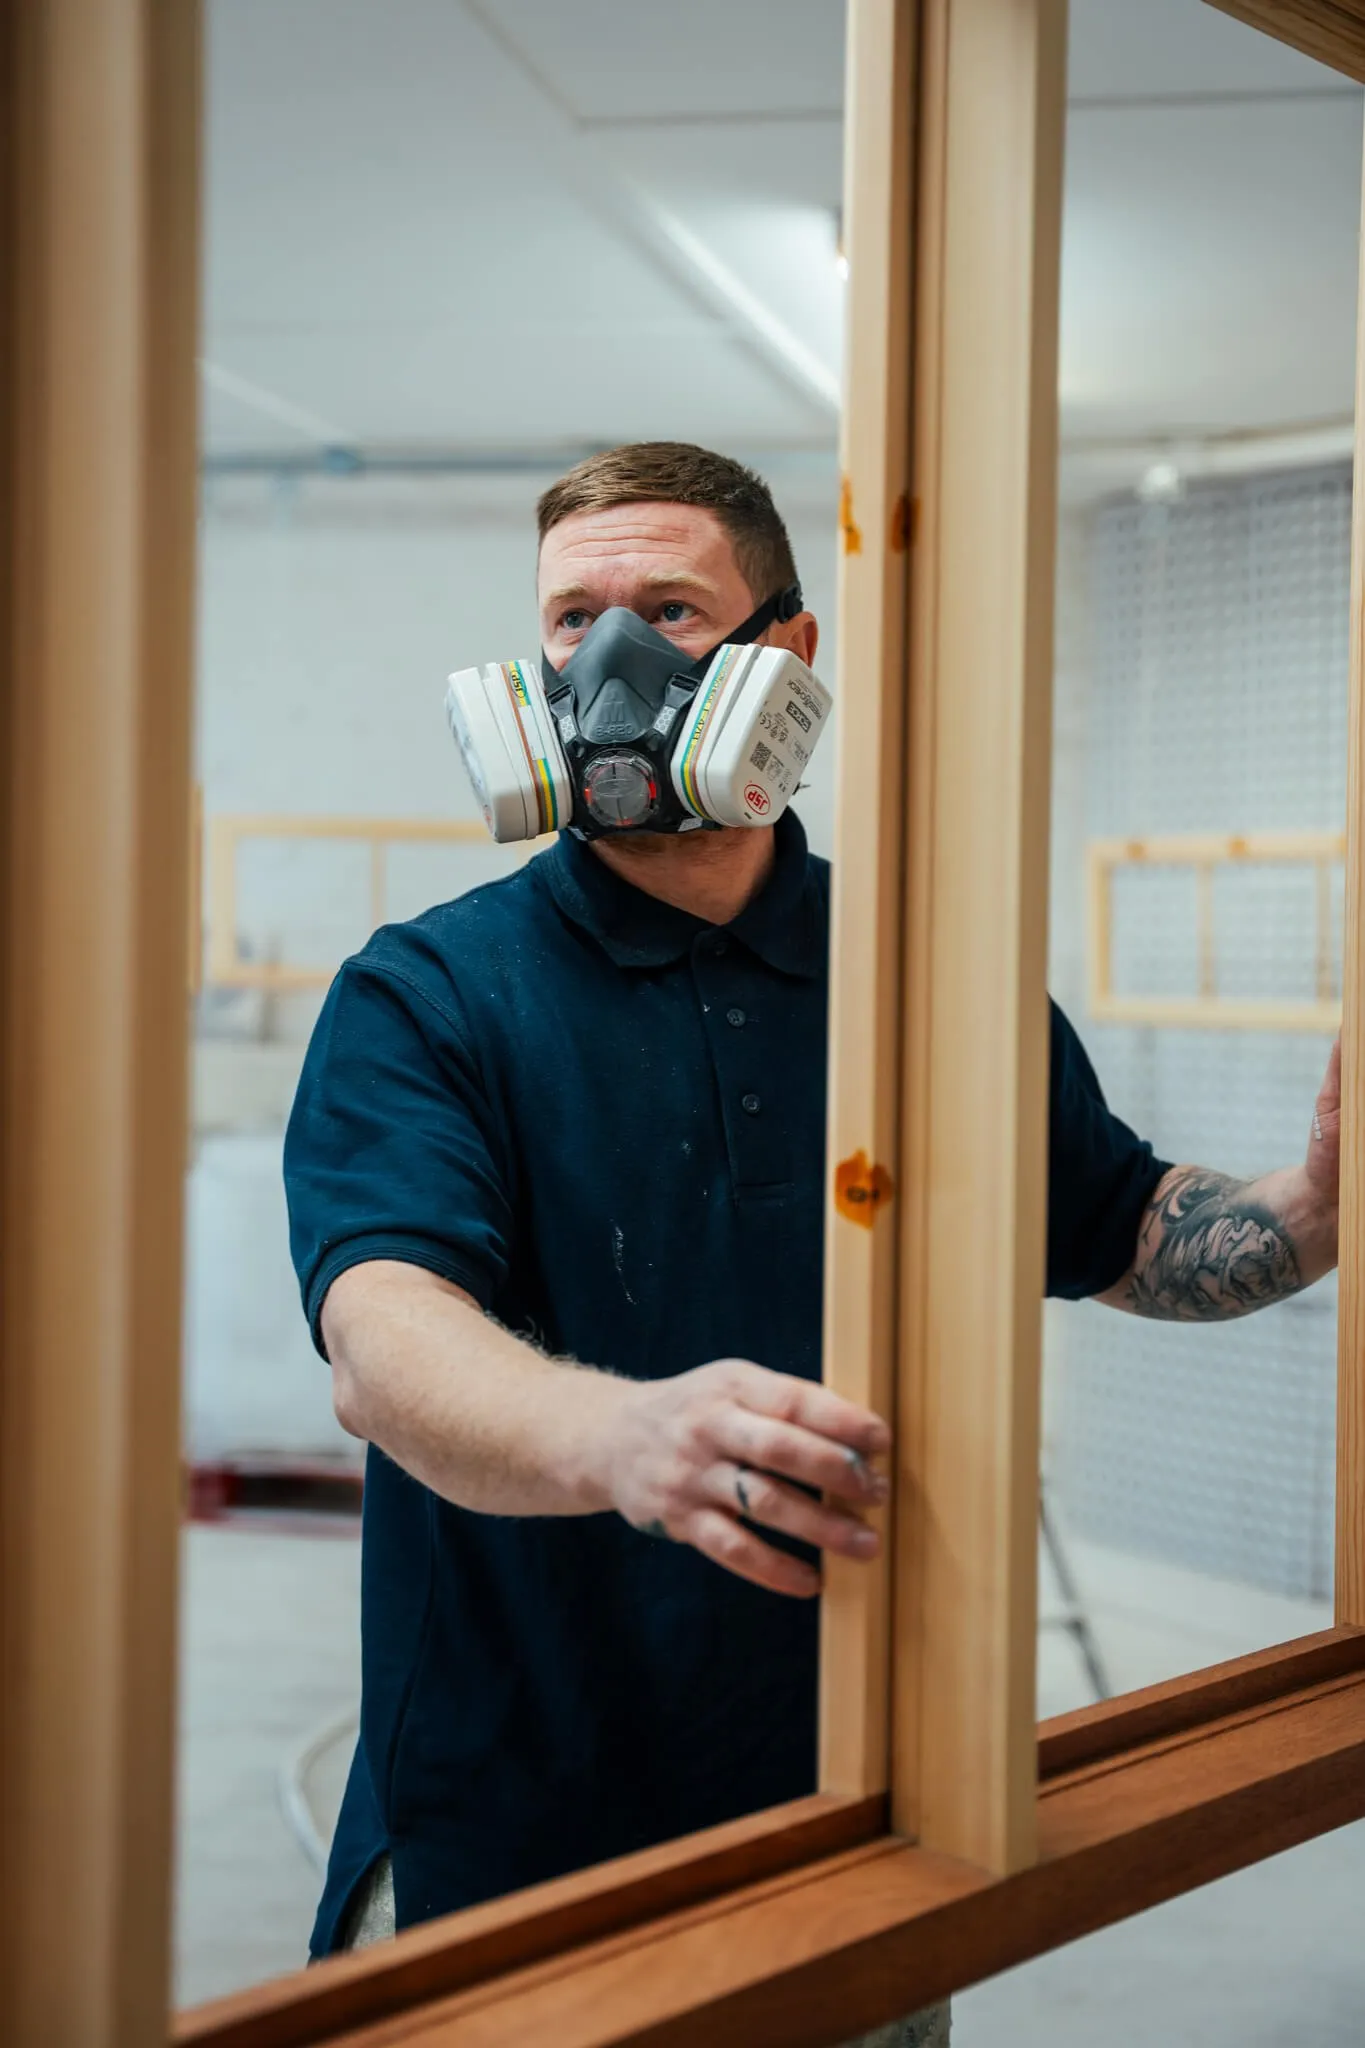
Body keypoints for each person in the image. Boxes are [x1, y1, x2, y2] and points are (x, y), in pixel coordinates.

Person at [283, 441, 1341, 2046]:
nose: (609, 663)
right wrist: (625, 1436)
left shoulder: (930, 981)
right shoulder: (426, 997)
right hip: (504, 1845)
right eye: (571, 621)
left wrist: (1316, 1210)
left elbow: (1125, 1227)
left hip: (852, 1820)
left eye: (669, 610)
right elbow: (384, 1334)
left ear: (785, 656)